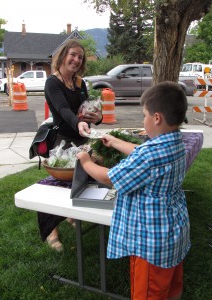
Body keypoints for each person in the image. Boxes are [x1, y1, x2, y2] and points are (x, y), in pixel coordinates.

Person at [77, 81, 190, 300]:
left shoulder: (149, 156)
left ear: (156, 118)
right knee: (171, 288)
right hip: (173, 233)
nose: (143, 120)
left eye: (144, 115)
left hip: (150, 244)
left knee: (148, 293)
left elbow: (111, 178)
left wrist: (86, 161)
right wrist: (116, 141)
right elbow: (142, 151)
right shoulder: (176, 142)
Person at [38, 39, 102, 252]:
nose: (76, 60)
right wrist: (79, 122)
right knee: (55, 187)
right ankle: (51, 231)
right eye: (73, 54)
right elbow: (64, 110)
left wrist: (97, 117)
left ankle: (70, 214)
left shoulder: (80, 83)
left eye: (80, 57)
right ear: (64, 55)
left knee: (81, 181)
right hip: (60, 143)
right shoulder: (52, 83)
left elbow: (85, 110)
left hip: (82, 139)